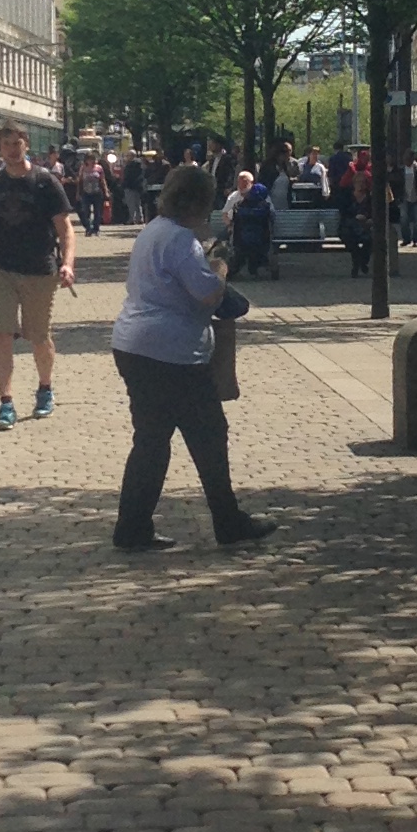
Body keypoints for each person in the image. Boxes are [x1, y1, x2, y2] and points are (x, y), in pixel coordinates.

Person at [108, 162, 272, 554]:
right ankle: (227, 520)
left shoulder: (153, 231)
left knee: (151, 439)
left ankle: (132, 526)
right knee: (209, 434)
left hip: (135, 344)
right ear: (200, 202)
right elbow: (208, 293)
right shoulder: (181, 240)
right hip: (171, 353)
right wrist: (220, 262)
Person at [0, 121, 76, 429]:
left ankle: (45, 388)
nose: (12, 151)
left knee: (38, 336)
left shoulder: (45, 182)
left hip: (39, 270)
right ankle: (6, 402)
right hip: (1, 268)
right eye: (6, 146)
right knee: (1, 334)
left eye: (17, 144)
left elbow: (65, 228)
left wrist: (67, 263)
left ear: (26, 144)